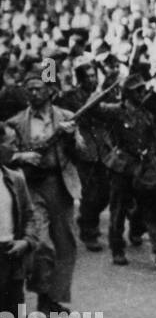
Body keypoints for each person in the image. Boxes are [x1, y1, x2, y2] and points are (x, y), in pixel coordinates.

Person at [6, 73, 80, 313]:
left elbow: (84, 152)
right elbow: (5, 153)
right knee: (41, 244)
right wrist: (21, 156)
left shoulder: (66, 118)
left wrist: (70, 138)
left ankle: (52, 297)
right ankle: (43, 293)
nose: (34, 93)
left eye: (38, 88)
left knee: (65, 242)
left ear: (49, 90)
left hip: (59, 183)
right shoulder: (17, 123)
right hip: (31, 186)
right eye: (29, 90)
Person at [82, 72, 156, 271]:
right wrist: (101, 93)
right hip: (123, 166)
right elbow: (91, 109)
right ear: (128, 93)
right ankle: (117, 248)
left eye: (143, 89)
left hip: (145, 165)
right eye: (138, 90)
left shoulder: (147, 110)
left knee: (154, 208)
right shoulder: (115, 111)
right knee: (118, 209)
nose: (142, 93)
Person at [0, 125, 39, 318]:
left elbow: (30, 218)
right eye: (10, 145)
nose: (15, 150)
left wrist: (26, 242)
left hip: (10, 262)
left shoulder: (15, 179)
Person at [57, 62, 112, 252]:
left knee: (105, 192)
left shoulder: (103, 95)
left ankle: (86, 219)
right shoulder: (70, 97)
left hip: (101, 148)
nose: (92, 79)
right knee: (90, 193)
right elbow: (70, 120)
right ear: (80, 79)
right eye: (88, 76)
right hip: (82, 149)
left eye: (94, 75)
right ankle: (90, 232)